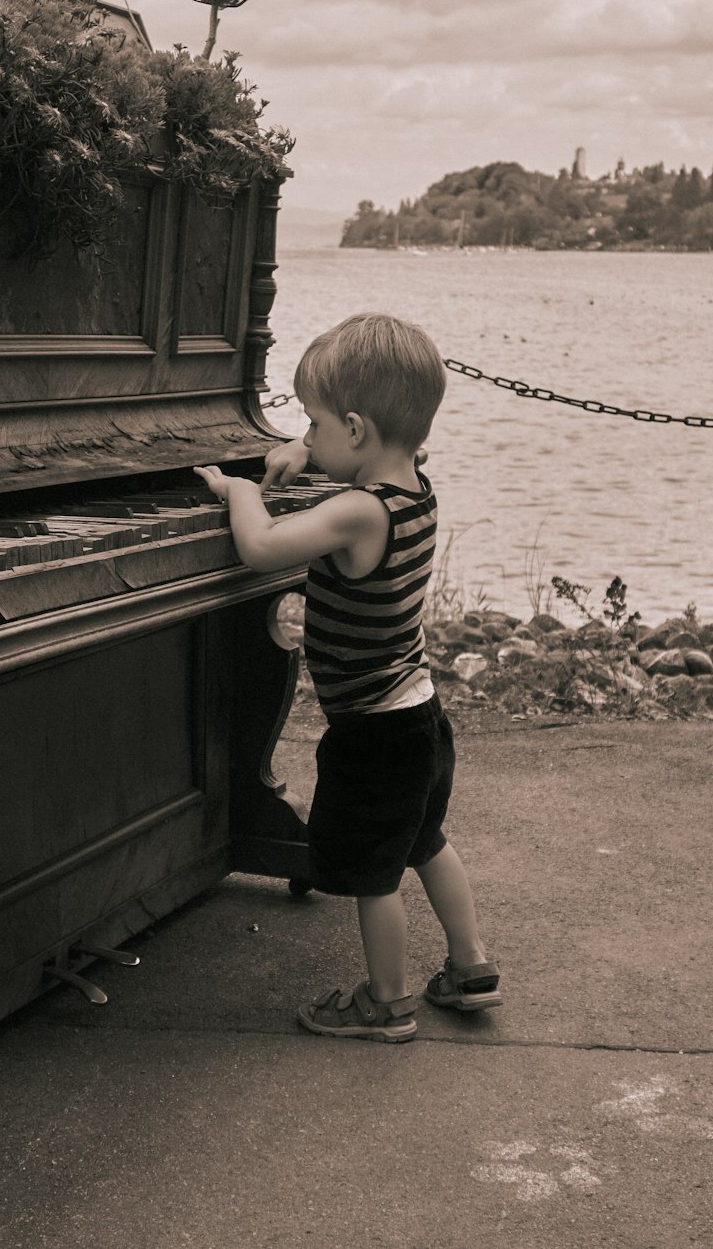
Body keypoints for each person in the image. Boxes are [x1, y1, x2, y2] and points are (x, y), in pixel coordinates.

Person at [194, 312, 501, 1043]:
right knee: (425, 841)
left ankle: (387, 1004)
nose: (306, 434)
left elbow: (263, 547)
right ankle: (471, 967)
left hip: (372, 733)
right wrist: (307, 452)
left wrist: (240, 491)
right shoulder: (414, 488)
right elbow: (346, 458)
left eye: (315, 422)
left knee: (372, 875)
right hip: (421, 715)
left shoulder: (359, 511)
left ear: (357, 430)